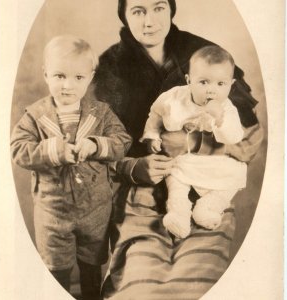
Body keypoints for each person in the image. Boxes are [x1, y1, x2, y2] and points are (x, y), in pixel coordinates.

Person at [91, 0, 264, 299]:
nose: (150, 22)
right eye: (138, 10)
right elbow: (94, 149)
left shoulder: (207, 58)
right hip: (141, 195)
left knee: (195, 282)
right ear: (123, 14)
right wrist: (133, 167)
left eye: (159, 7)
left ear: (171, 9)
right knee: (140, 284)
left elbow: (249, 140)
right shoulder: (108, 67)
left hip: (209, 188)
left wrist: (193, 143)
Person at [10, 35, 132, 300]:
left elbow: (123, 142)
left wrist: (95, 145)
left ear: (90, 77)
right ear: (45, 74)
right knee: (57, 273)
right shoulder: (35, 115)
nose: (67, 86)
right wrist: (53, 150)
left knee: (93, 270)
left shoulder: (101, 113)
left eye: (78, 78)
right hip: (53, 212)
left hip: (96, 209)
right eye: (59, 76)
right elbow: (18, 150)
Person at [139, 45, 247, 239]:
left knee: (233, 178)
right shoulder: (173, 98)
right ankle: (178, 214)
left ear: (231, 84)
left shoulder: (227, 108)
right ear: (189, 81)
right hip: (182, 160)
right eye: (204, 82)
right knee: (175, 180)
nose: (212, 91)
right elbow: (155, 114)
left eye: (221, 84)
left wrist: (220, 120)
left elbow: (234, 137)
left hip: (214, 162)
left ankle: (209, 206)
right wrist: (152, 134)